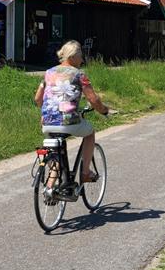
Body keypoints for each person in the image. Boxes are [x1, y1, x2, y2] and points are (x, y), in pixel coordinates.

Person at [34, 40, 109, 184]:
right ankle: (85, 173)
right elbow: (93, 100)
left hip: (47, 122)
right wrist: (104, 110)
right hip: (68, 121)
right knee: (90, 133)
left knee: (55, 151)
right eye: (80, 56)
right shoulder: (79, 75)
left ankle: (50, 187)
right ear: (72, 56)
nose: (82, 60)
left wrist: (48, 112)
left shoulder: (49, 73)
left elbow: (38, 99)